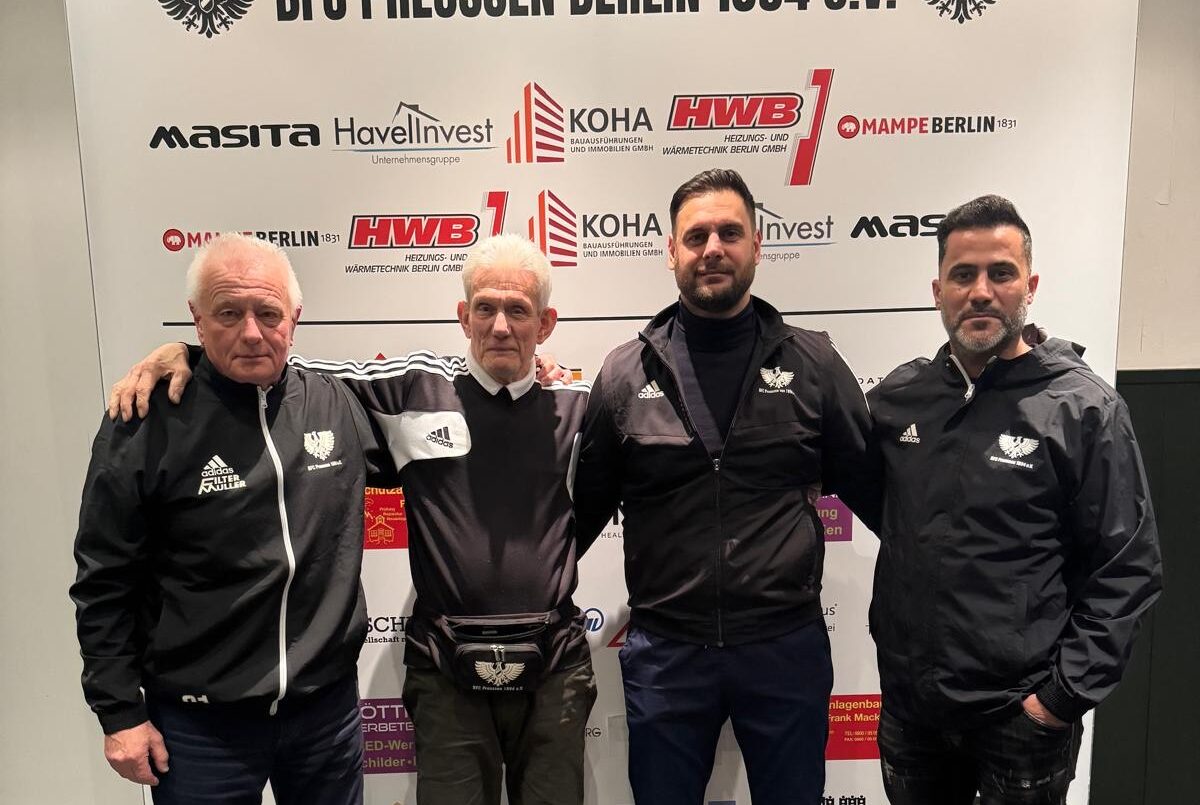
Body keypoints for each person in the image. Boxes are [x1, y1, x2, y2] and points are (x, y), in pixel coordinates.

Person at [108, 233, 596, 805]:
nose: (501, 326)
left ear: (546, 323)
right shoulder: (411, 387)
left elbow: (600, 503)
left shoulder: (582, 404)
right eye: (485, 308)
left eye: (519, 310)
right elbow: (271, 362)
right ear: (464, 316)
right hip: (444, 663)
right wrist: (187, 353)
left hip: (553, 661)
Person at [573, 168, 880, 805]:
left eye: (729, 233)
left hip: (784, 647)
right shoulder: (624, 375)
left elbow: (881, 499)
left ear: (757, 246)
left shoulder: (814, 364)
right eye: (696, 236)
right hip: (667, 652)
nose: (713, 248)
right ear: (671, 251)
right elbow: (577, 518)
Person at [71, 232, 392, 803]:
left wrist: (540, 371)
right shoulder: (146, 419)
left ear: (294, 319)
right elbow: (104, 579)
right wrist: (119, 712)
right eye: (227, 313)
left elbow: (464, 384)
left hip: (325, 715)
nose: (250, 332)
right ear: (196, 321)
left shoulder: (336, 403)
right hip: (200, 728)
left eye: (268, 313)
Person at [866, 195, 1163, 804]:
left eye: (1000, 273)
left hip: (1020, 721)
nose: (981, 292)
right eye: (963, 275)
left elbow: (1127, 568)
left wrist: (1057, 700)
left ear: (1030, 286)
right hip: (912, 714)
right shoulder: (900, 398)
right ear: (938, 290)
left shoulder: (1083, 408)